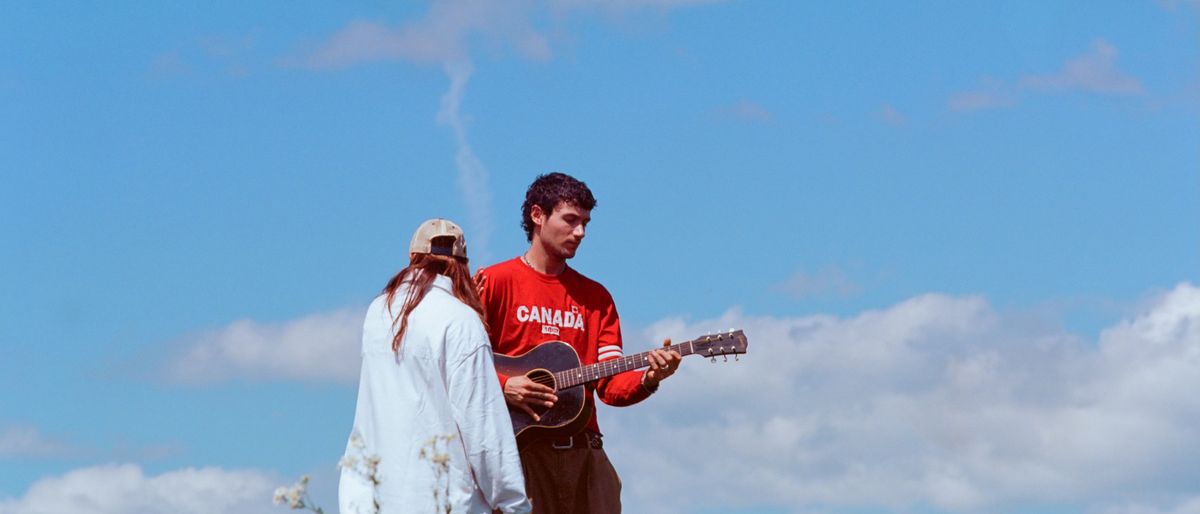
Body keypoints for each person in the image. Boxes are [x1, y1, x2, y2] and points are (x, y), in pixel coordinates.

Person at [474, 173, 682, 514]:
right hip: (518, 454)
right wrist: (504, 386)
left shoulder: (596, 298)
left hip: (586, 454)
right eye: (571, 221)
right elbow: (458, 364)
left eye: (585, 223)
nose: (580, 233)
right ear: (537, 215)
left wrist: (650, 377)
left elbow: (610, 386)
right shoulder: (494, 282)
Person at [339, 218, 531, 514]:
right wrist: (512, 504)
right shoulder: (461, 321)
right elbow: (483, 428)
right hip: (441, 500)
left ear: (412, 259)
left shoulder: (377, 314)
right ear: (462, 266)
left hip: (370, 498)